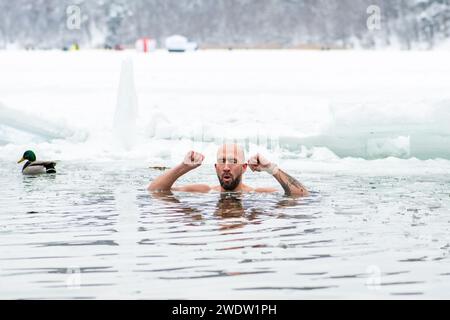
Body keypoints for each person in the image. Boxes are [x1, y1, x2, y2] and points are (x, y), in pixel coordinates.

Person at [148, 144, 309, 197]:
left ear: (244, 167)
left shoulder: (256, 193)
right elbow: (155, 191)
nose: (226, 167)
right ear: (216, 168)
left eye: (233, 161)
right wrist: (182, 167)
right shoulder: (205, 191)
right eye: (222, 162)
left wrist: (271, 169)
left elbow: (302, 195)